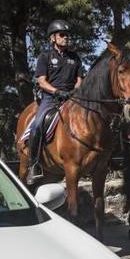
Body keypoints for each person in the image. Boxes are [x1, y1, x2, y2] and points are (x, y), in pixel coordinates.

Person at [27, 20, 84, 184]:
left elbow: (79, 79)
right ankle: (34, 164)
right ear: (53, 38)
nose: (66, 38)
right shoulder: (45, 57)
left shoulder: (75, 57)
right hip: (51, 98)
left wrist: (74, 90)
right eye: (62, 35)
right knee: (37, 124)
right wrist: (57, 92)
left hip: (72, 97)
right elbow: (42, 82)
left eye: (67, 35)